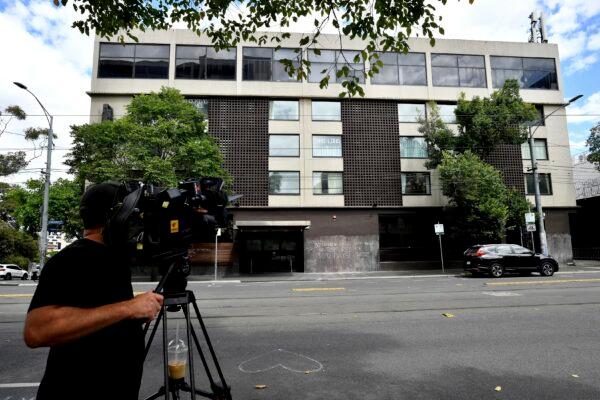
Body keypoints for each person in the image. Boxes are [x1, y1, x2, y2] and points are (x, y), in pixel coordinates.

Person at [24, 182, 164, 400]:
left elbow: (99, 312)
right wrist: (128, 308)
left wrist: (134, 313)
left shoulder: (111, 258)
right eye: (134, 217)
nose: (138, 225)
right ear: (117, 217)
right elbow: (37, 330)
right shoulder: (73, 259)